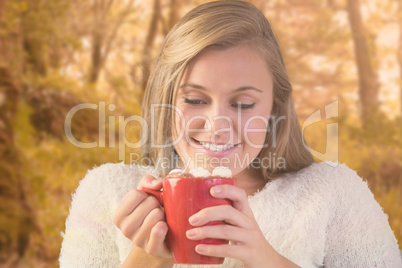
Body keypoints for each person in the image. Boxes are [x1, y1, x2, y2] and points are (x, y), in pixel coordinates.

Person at [59, 1, 402, 267]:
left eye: (243, 104)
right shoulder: (107, 192)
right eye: (195, 99)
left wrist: (266, 259)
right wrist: (147, 257)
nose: (218, 124)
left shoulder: (334, 195)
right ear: (164, 99)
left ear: (275, 107)